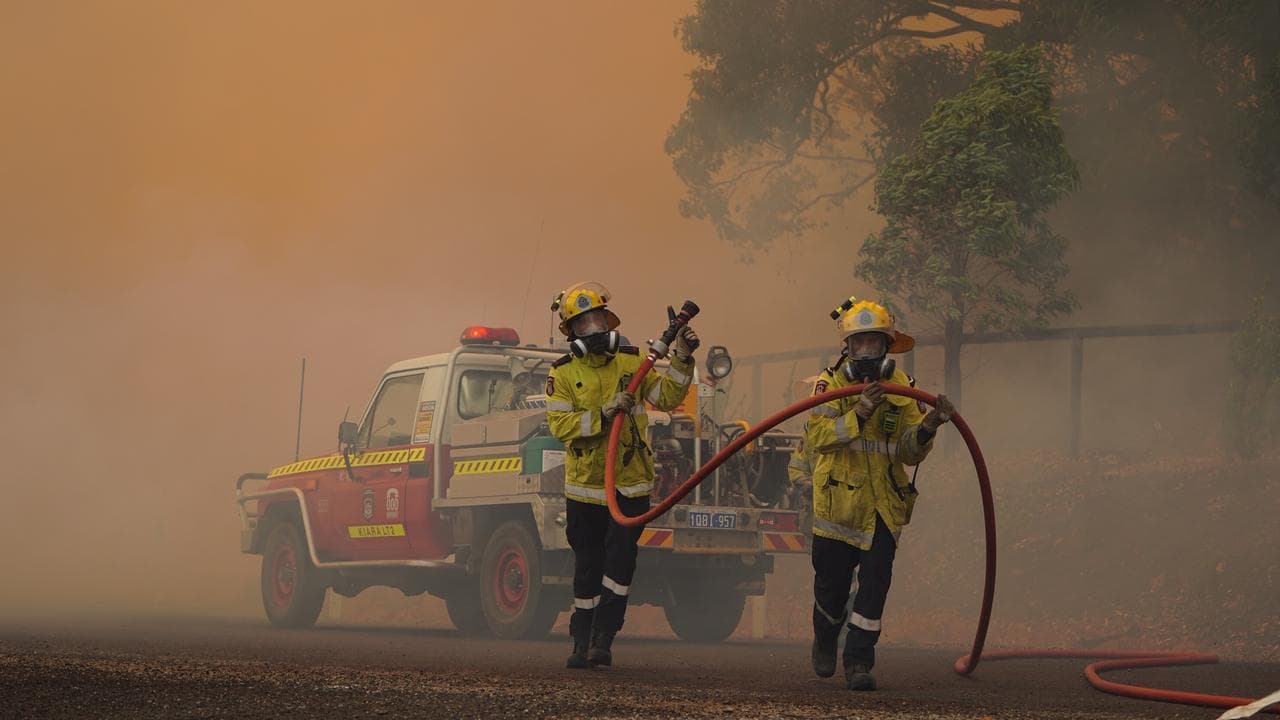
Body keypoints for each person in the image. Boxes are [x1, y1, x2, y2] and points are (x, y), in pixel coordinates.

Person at [545, 281, 699, 669]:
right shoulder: (563, 374)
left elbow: (667, 397)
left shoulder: (632, 363)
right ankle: (581, 640)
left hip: (630, 485)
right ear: (571, 333)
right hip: (585, 489)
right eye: (584, 324)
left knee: (620, 564)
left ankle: (604, 637)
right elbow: (560, 426)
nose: (594, 329)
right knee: (587, 567)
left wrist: (682, 359)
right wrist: (602, 414)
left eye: (598, 319)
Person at [805, 297, 956, 691]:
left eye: (874, 342)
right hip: (838, 508)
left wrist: (928, 426)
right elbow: (817, 438)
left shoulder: (903, 388)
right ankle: (825, 639)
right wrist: (858, 413)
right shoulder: (829, 386)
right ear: (847, 347)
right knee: (831, 591)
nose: (867, 351)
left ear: (887, 346)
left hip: (882, 509)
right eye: (859, 343)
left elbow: (908, 452)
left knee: (874, 587)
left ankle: (858, 661)